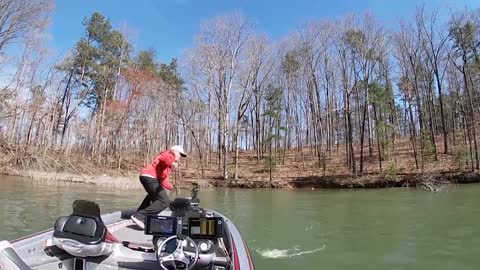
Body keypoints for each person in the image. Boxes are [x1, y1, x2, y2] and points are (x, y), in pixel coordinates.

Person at [130, 145, 187, 229]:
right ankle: (140, 216)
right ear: (174, 151)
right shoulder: (169, 154)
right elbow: (165, 158)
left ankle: (138, 215)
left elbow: (162, 180)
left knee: (152, 196)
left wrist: (172, 187)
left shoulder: (167, 166)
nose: (180, 157)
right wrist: (172, 163)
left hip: (147, 176)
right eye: (180, 154)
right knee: (164, 202)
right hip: (149, 177)